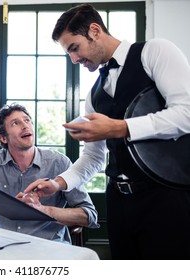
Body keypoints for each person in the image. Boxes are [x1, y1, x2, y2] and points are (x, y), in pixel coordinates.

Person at [25, 4, 190, 259]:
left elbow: (186, 114)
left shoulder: (155, 51)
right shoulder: (94, 94)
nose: (74, 59)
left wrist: (118, 127)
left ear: (94, 30)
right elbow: (94, 158)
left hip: (166, 198)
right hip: (119, 204)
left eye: (74, 48)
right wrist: (57, 183)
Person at [0, 103, 99, 244]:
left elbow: (90, 216)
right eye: (15, 123)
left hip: (49, 251)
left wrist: (44, 210)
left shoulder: (59, 162)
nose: (25, 125)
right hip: (5, 249)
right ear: (3, 138)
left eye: (27, 120)